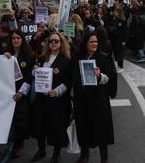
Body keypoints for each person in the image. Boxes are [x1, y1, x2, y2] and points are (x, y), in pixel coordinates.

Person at [71, 32, 114, 163]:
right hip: (81, 99)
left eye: (96, 41)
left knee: (101, 129)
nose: (94, 44)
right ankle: (84, 155)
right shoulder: (78, 57)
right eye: (91, 41)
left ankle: (104, 158)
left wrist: (99, 76)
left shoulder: (103, 57)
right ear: (85, 43)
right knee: (83, 126)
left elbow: (108, 79)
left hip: (98, 100)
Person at [30, 32, 71, 163]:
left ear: (61, 43)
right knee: (40, 125)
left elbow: (68, 81)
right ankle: (41, 150)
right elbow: (34, 75)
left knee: (57, 127)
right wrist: (34, 70)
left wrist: (57, 91)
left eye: (56, 41)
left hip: (57, 100)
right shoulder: (42, 58)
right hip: (42, 98)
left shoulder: (66, 60)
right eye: (51, 41)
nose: (53, 43)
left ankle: (56, 153)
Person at [4, 29, 35, 159]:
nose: (15, 40)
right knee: (8, 120)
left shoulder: (28, 56)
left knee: (21, 120)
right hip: (7, 92)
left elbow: (29, 78)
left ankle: (19, 145)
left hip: (21, 92)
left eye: (18, 38)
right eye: (13, 38)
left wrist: (21, 93)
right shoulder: (5, 55)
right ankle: (10, 144)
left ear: (22, 40)